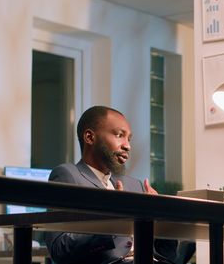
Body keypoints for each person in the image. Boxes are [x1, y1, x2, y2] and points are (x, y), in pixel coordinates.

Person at [45, 106, 192, 264]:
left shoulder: (134, 185)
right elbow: (59, 249)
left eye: (129, 139)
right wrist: (114, 221)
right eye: (119, 135)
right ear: (89, 137)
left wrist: (159, 217)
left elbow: (167, 255)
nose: (127, 146)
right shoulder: (67, 175)